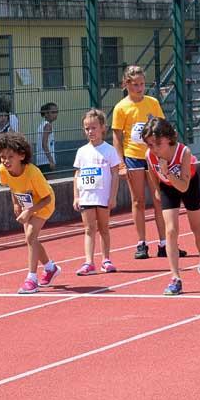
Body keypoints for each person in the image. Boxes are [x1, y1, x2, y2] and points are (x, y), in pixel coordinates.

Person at [111, 65, 183, 259]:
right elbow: (117, 137)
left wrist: (165, 154)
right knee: (138, 201)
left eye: (142, 84)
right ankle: (141, 243)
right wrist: (121, 163)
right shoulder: (121, 107)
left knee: (159, 198)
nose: (140, 88)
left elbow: (161, 127)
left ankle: (164, 242)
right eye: (135, 84)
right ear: (126, 84)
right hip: (133, 156)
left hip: (154, 156)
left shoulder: (152, 102)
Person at [143, 118, 200, 296]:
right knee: (171, 231)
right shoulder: (150, 155)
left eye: (158, 144)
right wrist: (157, 189)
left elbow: (183, 186)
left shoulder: (184, 152)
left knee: (197, 227)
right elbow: (151, 171)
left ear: (168, 138)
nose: (154, 149)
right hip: (167, 187)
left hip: (187, 184)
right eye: (150, 145)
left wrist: (166, 172)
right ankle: (175, 277)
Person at [0, 132, 61, 294]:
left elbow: (46, 198)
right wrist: (16, 203)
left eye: (10, 156)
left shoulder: (33, 172)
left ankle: (32, 279)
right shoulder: (2, 170)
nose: (6, 160)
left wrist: (29, 210)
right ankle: (50, 268)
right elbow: (11, 186)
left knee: (30, 236)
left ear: (21, 155)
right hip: (26, 203)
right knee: (31, 239)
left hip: (44, 204)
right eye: (3, 156)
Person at [72, 109, 122, 275]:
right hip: (86, 196)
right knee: (88, 229)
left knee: (104, 228)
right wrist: (76, 196)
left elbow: (115, 173)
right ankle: (89, 262)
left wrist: (113, 196)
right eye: (87, 128)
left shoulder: (109, 150)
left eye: (93, 128)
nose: (90, 131)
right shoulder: (82, 151)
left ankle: (106, 259)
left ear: (102, 128)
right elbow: (77, 174)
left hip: (103, 197)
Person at [36, 102, 58, 175]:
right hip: (46, 161)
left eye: (56, 112)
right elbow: (44, 144)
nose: (55, 114)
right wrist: (51, 160)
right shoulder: (47, 126)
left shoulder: (42, 125)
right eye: (53, 112)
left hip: (40, 160)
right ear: (46, 114)